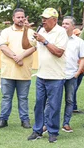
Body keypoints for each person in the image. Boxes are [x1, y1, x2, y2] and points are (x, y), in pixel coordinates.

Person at [23, 8, 68, 143]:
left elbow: (59, 52)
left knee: (54, 106)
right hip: (41, 75)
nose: (43, 20)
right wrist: (25, 30)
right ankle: (37, 130)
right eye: (42, 17)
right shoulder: (40, 30)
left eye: (46, 18)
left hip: (56, 77)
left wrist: (44, 41)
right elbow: (25, 46)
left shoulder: (61, 32)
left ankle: (53, 132)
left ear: (54, 20)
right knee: (39, 105)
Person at [0, 8, 36, 129]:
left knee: (23, 98)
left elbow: (34, 47)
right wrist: (15, 57)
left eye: (23, 17)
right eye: (18, 17)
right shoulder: (6, 31)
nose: (21, 19)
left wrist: (21, 57)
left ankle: (25, 120)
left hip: (24, 72)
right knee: (6, 97)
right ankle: (3, 119)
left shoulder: (30, 32)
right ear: (13, 18)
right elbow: (2, 46)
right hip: (8, 72)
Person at [61, 17, 84, 132]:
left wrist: (77, 73)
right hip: (57, 76)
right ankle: (49, 124)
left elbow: (82, 58)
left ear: (73, 26)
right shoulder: (57, 39)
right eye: (63, 23)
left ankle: (66, 123)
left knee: (70, 101)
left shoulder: (79, 41)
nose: (64, 25)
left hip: (71, 76)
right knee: (53, 101)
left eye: (67, 23)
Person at [72, 28, 84, 113]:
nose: (80, 35)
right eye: (78, 34)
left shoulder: (81, 43)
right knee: (73, 89)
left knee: (74, 89)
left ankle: (74, 106)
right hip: (76, 70)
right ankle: (73, 107)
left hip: (81, 70)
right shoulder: (74, 45)